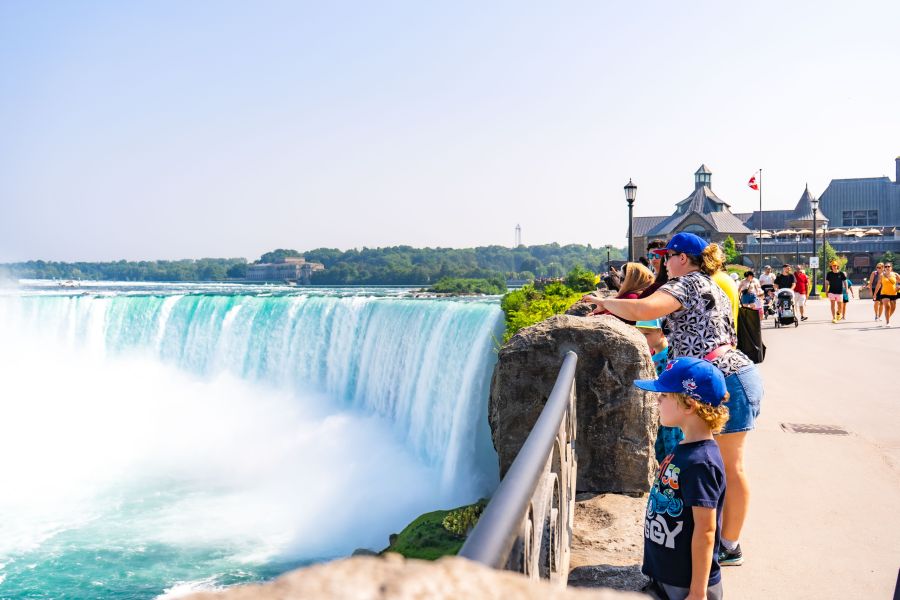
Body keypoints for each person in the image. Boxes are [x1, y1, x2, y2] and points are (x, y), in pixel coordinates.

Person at [587, 232, 762, 567]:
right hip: (725, 375)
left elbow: (643, 309)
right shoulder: (706, 283)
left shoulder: (689, 282)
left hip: (726, 378)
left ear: (682, 258)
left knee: (730, 466)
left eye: (667, 257)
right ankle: (718, 539)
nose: (662, 263)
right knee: (720, 465)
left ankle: (729, 545)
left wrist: (606, 302)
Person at [634, 357, 728, 600]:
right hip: (668, 576)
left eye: (664, 395)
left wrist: (697, 592)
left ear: (689, 404)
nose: (657, 399)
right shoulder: (685, 446)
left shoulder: (701, 463)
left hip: (686, 586)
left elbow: (706, 530)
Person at [635, 319, 683, 463]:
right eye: (640, 334)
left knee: (672, 456)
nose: (643, 338)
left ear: (662, 332)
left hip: (671, 416)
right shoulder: (652, 355)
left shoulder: (669, 357)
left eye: (647, 334)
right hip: (660, 414)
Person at [583, 262, 654, 324]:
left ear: (632, 281)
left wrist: (597, 313)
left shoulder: (632, 297)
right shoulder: (639, 295)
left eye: (622, 279)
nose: (620, 283)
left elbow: (612, 318)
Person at [874, 262, 899, 327]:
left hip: (893, 293)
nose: (887, 268)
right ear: (884, 268)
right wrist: (875, 294)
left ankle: (887, 318)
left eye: (888, 266)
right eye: (886, 266)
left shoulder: (895, 275)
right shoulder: (882, 275)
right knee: (887, 307)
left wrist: (899, 287)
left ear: (891, 268)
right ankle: (888, 322)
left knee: (893, 308)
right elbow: (878, 284)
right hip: (884, 293)